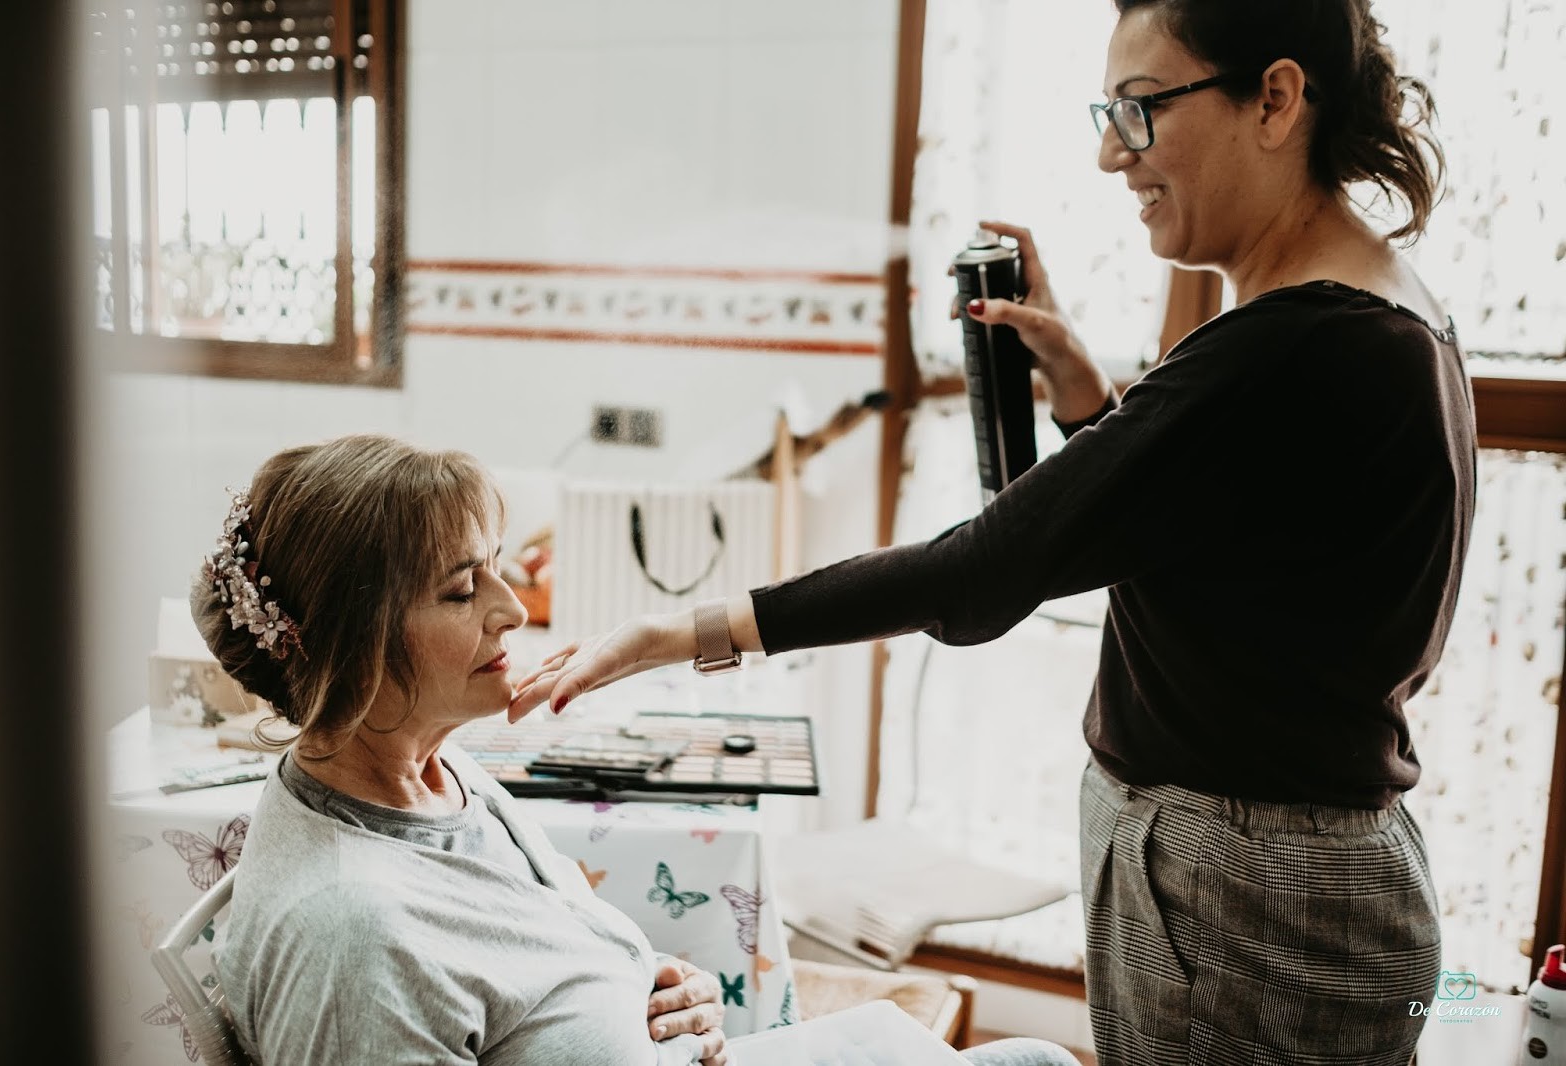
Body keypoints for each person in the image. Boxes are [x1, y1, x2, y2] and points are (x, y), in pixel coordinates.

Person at [509, 1, 1475, 1064]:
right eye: (1107, 113)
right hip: (1286, 865)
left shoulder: (1289, 345)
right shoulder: (1380, 312)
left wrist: (683, 631)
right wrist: (1089, 408)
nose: (1114, 153)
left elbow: (981, 573)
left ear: (1276, 99)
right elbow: (1231, 551)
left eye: (1143, 110)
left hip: (1247, 880)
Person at [191, 433, 1079, 1066]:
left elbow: (537, 958)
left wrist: (654, 983)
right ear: (351, 647)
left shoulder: (437, 775)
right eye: (464, 590)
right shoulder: (352, 935)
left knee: (1037, 1059)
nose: (510, 607)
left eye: (497, 566)